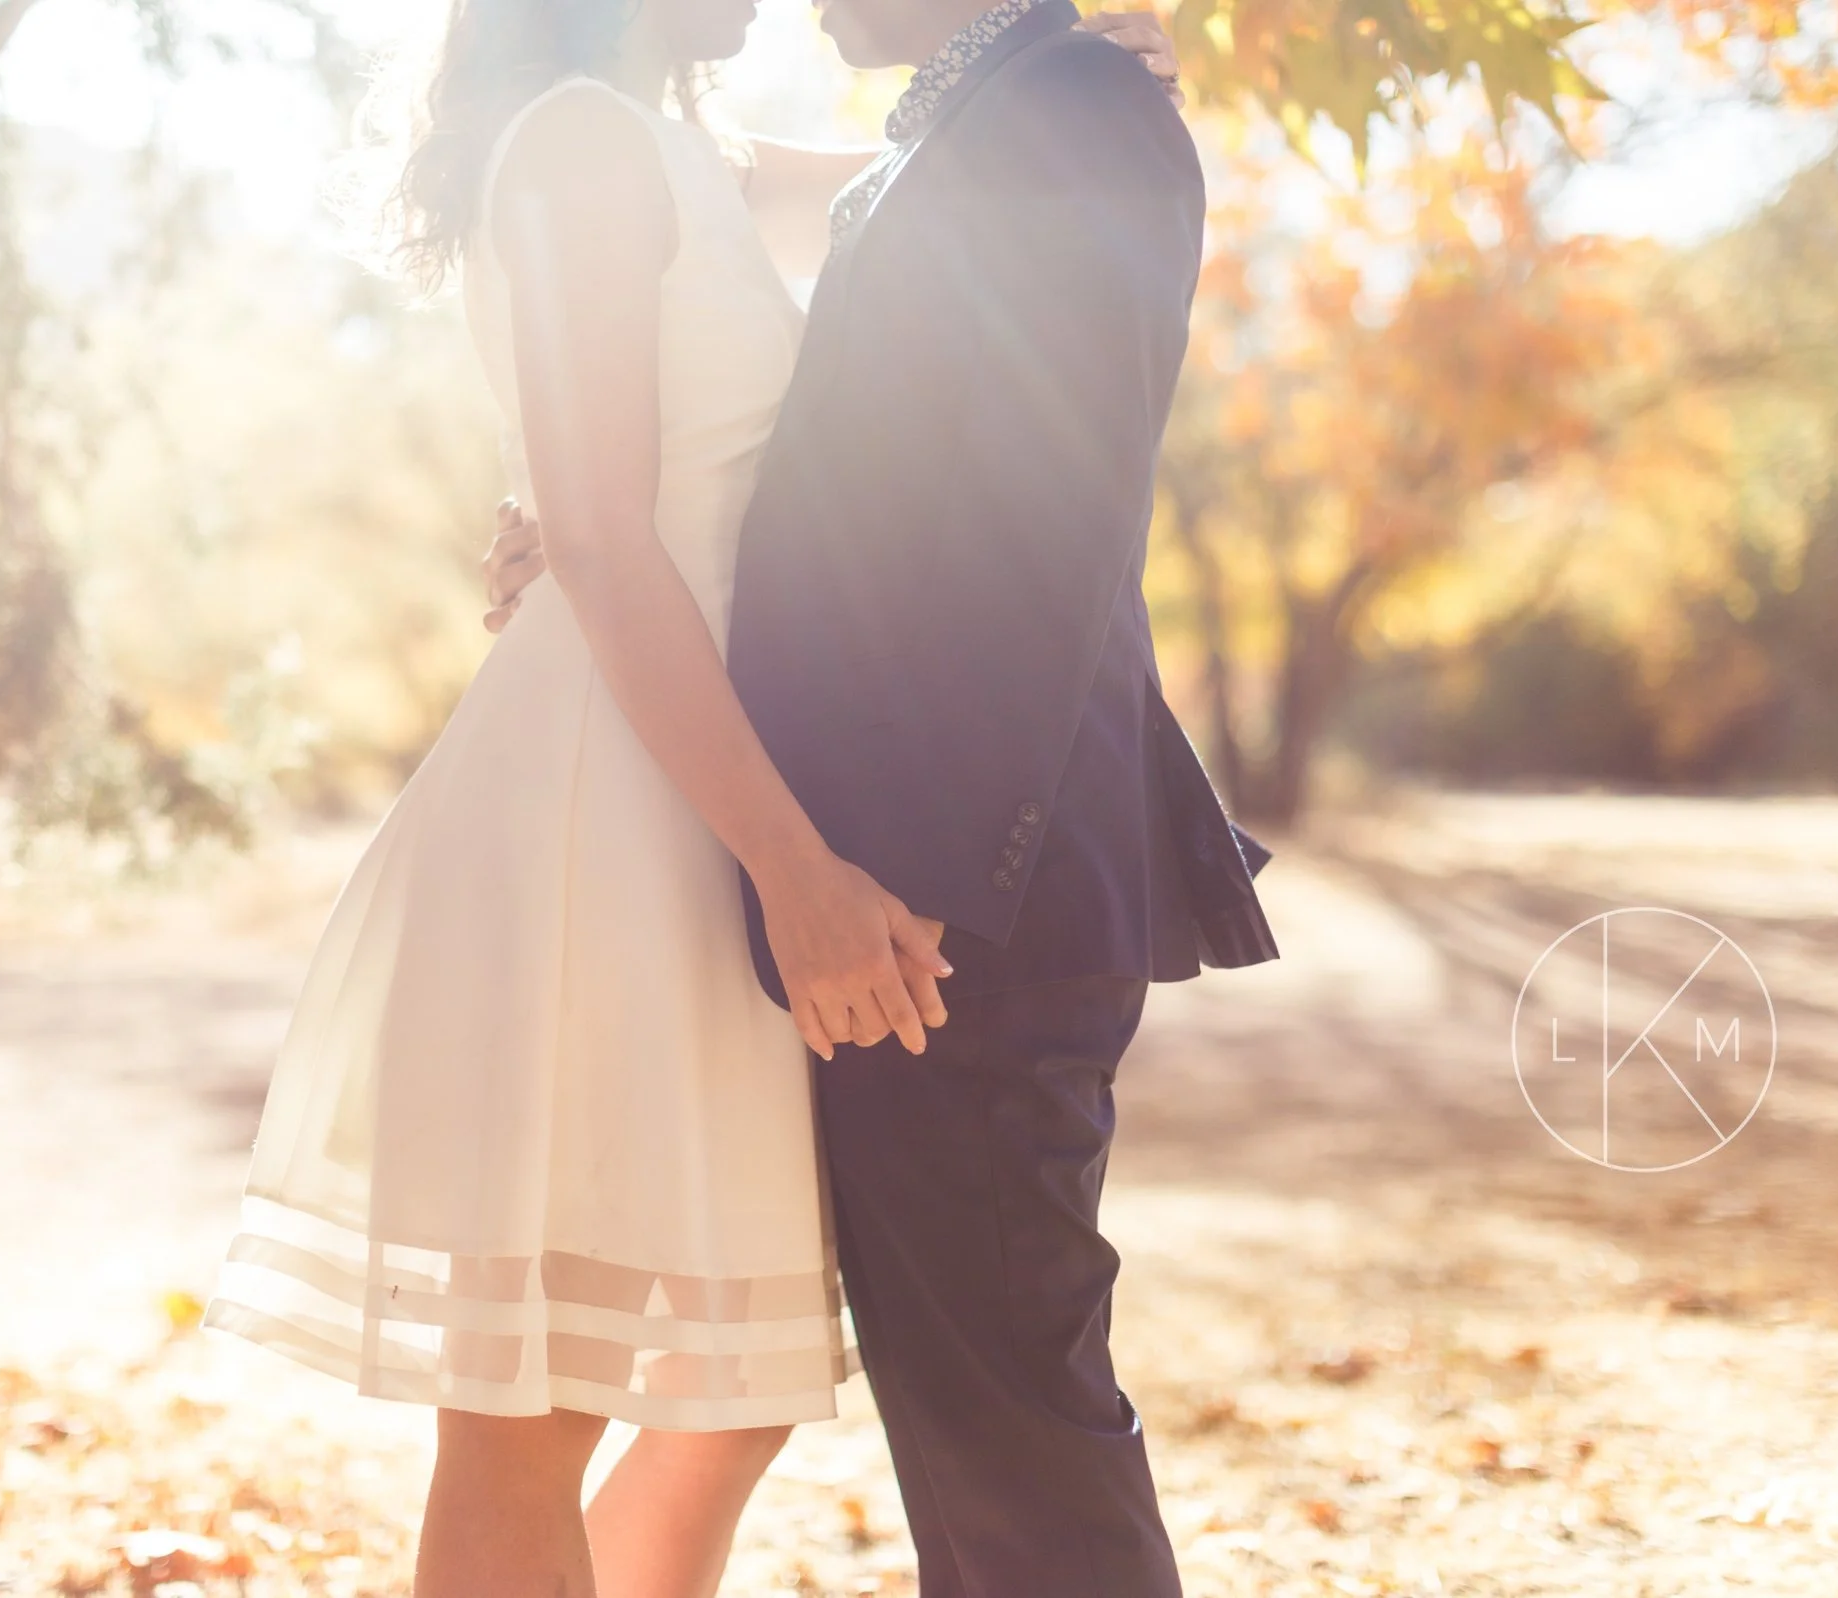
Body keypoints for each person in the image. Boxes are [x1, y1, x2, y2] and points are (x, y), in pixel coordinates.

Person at [204, 5, 1257, 1598]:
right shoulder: (576, 139)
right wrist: (587, 529)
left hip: (742, 809)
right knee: (539, 1407)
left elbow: (909, 194)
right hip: (616, 811)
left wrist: (1072, 52)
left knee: (728, 1396)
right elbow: (617, 526)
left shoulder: (693, 145)